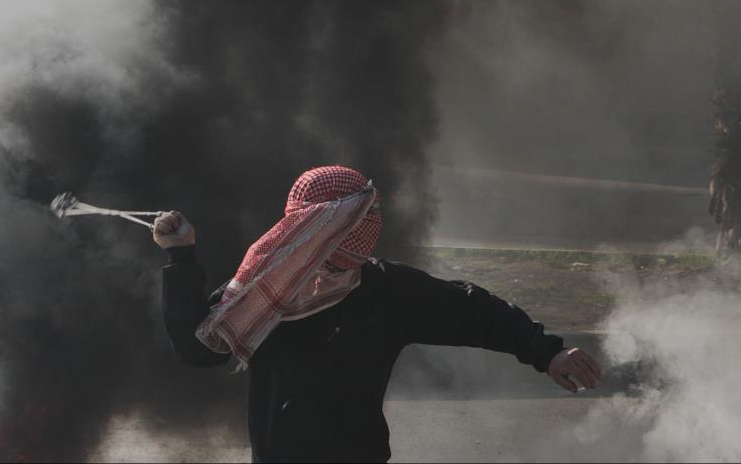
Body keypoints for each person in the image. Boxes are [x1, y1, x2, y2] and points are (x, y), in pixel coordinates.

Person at [154, 165, 601, 463]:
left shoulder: (388, 290)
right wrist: (181, 259)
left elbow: (474, 310)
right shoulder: (263, 295)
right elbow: (200, 348)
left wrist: (546, 352)